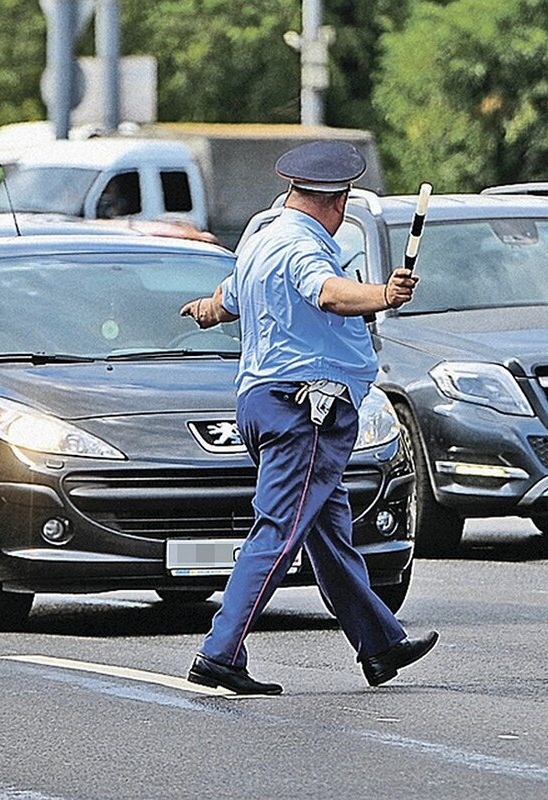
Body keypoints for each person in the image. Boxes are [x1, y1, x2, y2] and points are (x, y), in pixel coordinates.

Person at [178, 140, 438, 695]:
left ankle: (380, 644)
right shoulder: (304, 248)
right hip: (307, 410)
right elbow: (328, 294)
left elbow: (226, 301)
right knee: (277, 529)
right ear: (336, 201)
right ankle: (219, 652)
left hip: (262, 402)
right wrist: (382, 294)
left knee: (328, 532)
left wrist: (203, 312)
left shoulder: (260, 236)